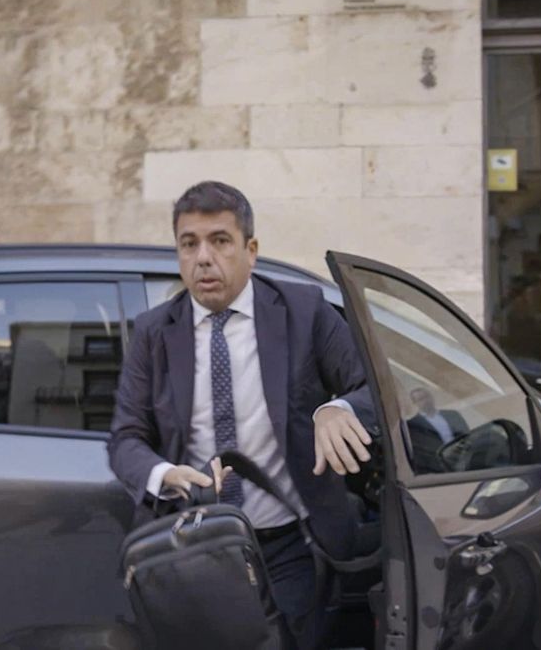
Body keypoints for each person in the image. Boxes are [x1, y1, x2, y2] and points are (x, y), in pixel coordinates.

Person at [107, 180, 376, 649]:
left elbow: (374, 387)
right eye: (189, 244)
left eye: (220, 241)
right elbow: (126, 440)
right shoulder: (154, 332)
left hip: (292, 541)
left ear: (251, 250)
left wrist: (337, 408)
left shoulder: (303, 310)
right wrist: (166, 473)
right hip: (197, 546)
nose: (203, 258)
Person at [405, 386, 468, 473]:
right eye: (420, 399)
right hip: (440, 467)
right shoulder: (413, 425)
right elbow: (419, 453)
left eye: (427, 396)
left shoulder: (453, 414)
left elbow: (467, 435)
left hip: (464, 459)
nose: (426, 401)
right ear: (415, 403)